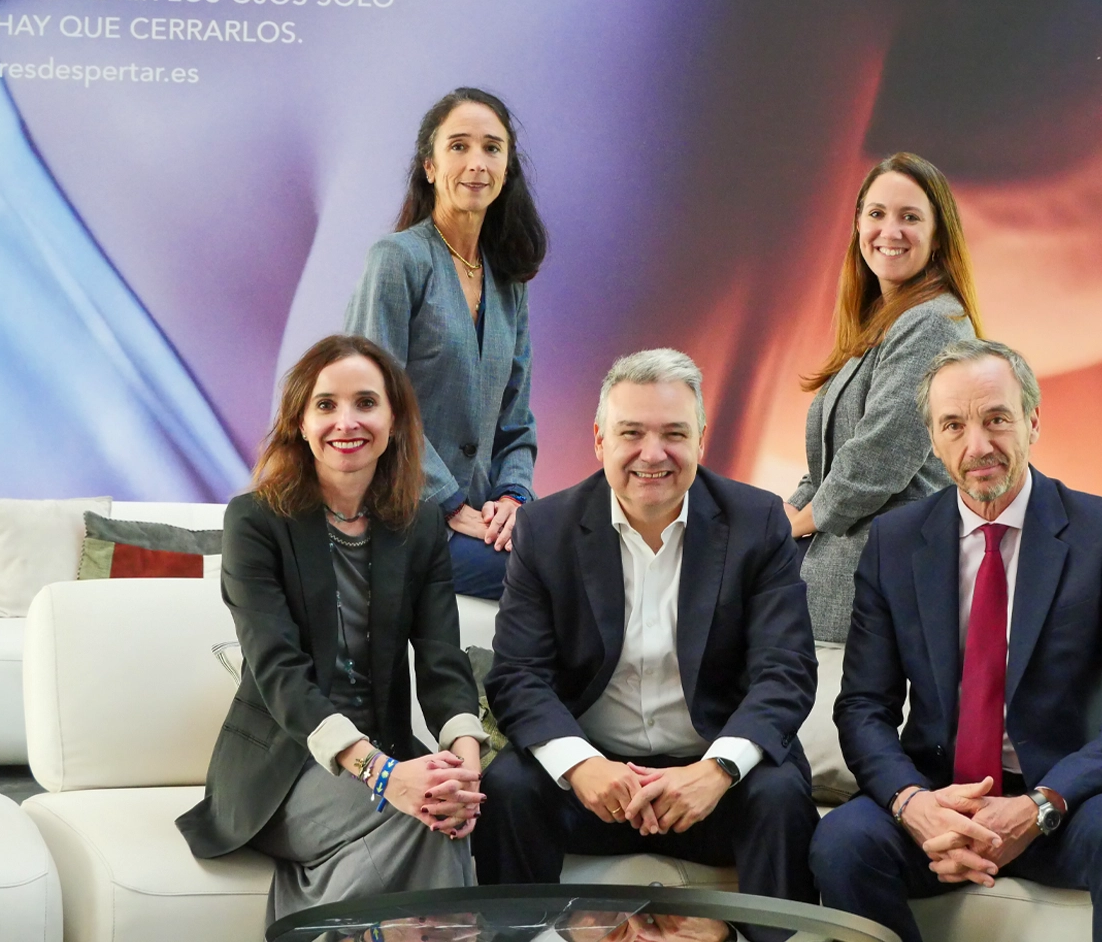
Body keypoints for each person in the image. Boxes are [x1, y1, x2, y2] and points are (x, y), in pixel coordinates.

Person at [811, 337, 1102, 942]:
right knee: (841, 841)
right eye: (953, 425)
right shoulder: (895, 542)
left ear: (1033, 421)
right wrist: (913, 803)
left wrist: (1039, 805)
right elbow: (862, 707)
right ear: (933, 439)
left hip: (1068, 802)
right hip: (941, 799)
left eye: (996, 419)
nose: (977, 445)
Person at [474, 348, 819, 911]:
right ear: (599, 439)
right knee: (509, 787)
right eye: (631, 432)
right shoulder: (545, 528)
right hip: (591, 779)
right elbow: (517, 676)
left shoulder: (757, 523)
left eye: (674, 434)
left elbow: (786, 671)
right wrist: (581, 764)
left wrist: (717, 770)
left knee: (779, 794)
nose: (652, 454)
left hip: (713, 778)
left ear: (702, 439)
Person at [176, 334, 489, 922]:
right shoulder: (256, 520)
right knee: (427, 822)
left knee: (448, 809)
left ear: (394, 420)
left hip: (391, 752)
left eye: (366, 403)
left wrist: (465, 760)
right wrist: (384, 774)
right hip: (284, 769)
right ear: (299, 420)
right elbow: (279, 672)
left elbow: (444, 661)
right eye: (325, 404)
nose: (346, 421)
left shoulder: (419, 525)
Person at [345, 87, 548, 600]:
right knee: (552, 577)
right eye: (458, 146)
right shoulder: (396, 260)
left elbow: (516, 420)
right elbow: (371, 406)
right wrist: (451, 503)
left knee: (583, 553)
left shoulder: (508, 283)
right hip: (402, 514)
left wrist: (513, 496)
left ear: (507, 170)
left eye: (491, 147)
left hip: (485, 515)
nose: (476, 162)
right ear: (430, 167)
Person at [786, 153, 983, 642]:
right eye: (876, 214)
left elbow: (880, 456)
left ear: (938, 235)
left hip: (882, 590)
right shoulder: (880, 323)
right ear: (857, 226)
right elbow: (829, 463)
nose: (889, 231)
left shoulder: (933, 322)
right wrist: (779, 520)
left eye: (910, 217)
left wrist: (798, 524)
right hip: (839, 584)